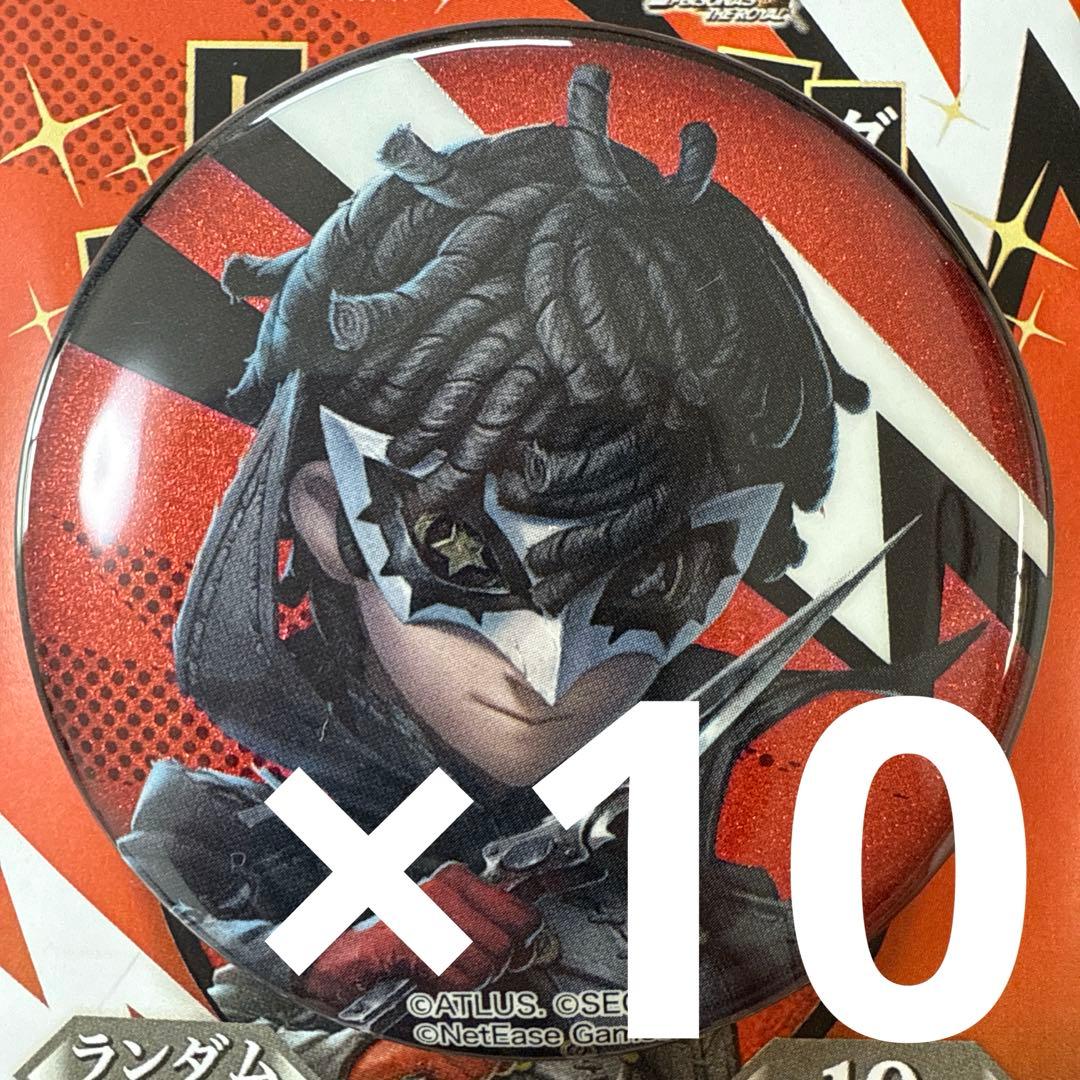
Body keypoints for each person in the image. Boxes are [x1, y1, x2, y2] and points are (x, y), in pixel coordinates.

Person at [119, 64, 975, 1072]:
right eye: (461, 551)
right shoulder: (219, 849)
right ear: (326, 513)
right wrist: (344, 981)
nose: (550, 670)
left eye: (647, 581)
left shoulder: (715, 912)